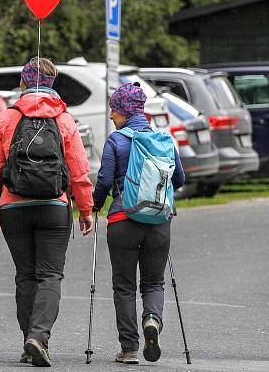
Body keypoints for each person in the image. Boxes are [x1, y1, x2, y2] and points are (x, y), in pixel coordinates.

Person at [0, 57, 94, 367]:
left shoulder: (6, 118)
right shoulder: (65, 120)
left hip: (12, 206)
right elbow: (80, 171)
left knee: (25, 276)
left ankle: (28, 339)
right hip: (54, 207)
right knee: (50, 275)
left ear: (22, 83)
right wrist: (86, 209)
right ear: (53, 84)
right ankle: (38, 336)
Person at [92, 82, 185, 365]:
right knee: (154, 283)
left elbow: (106, 180)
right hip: (159, 221)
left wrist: (95, 204)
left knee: (124, 287)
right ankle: (153, 319)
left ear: (122, 110)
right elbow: (179, 179)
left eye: (113, 110)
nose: (110, 116)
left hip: (123, 220)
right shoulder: (163, 140)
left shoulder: (116, 141)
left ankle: (130, 348)